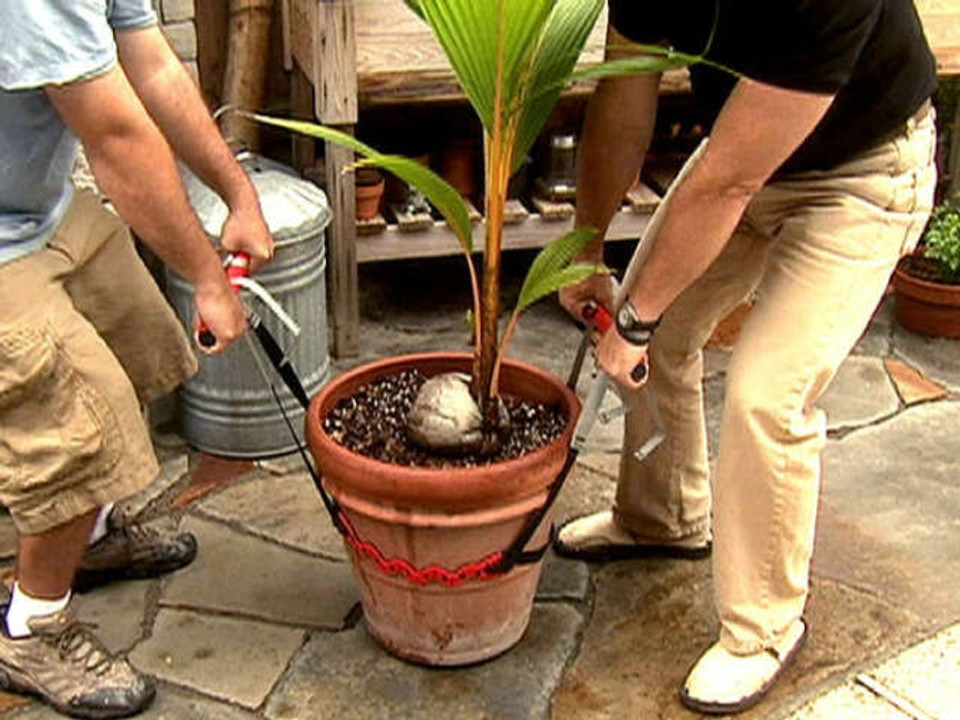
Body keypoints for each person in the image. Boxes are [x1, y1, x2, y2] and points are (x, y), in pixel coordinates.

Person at [556, 0, 937, 714]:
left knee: (767, 393)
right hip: (749, 148)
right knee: (660, 319)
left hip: (861, 171)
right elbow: (623, 100)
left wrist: (632, 323)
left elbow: (726, 183)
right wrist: (583, 250)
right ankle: (662, 517)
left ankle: (763, 628)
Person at [0, 1, 274, 717]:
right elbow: (117, 136)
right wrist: (209, 278)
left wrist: (237, 192)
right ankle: (32, 628)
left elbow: (150, 65)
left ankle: (85, 542)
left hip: (37, 210)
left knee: (132, 341)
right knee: (80, 426)